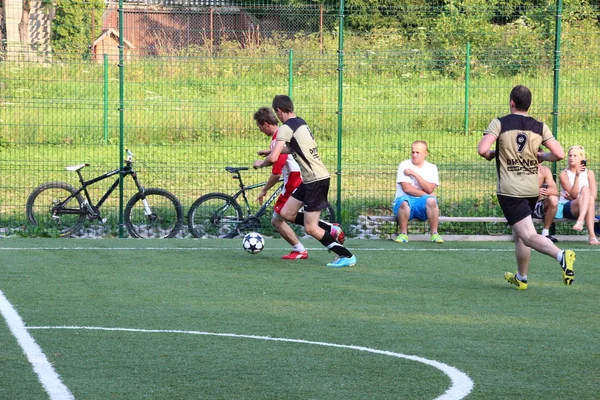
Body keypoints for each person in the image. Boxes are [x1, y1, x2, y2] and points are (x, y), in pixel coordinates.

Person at [477, 85, 576, 290]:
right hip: (531, 189)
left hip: (510, 191)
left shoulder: (500, 123)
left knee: (529, 236)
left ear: (512, 102)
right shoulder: (540, 126)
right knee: (521, 233)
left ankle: (561, 256)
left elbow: (482, 149)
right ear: (528, 104)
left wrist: (492, 155)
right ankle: (522, 278)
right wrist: (542, 156)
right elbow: (558, 154)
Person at [253, 95, 356, 268]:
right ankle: (330, 229)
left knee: (310, 228)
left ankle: (346, 255)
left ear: (279, 111)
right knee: (286, 213)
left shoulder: (285, 128)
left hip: (316, 180)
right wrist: (267, 151)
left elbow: (274, 158)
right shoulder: (300, 123)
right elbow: (294, 148)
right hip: (309, 180)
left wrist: (261, 162)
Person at [393, 140, 443, 244]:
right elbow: (407, 189)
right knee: (404, 201)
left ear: (425, 153)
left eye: (418, 152)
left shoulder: (432, 168)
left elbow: (430, 188)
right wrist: (426, 194)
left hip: (421, 204)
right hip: (406, 202)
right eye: (413, 152)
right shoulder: (404, 165)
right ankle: (403, 234)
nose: (414, 155)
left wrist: (414, 174)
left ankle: (435, 234)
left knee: (432, 201)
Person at [558, 145, 599, 245]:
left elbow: (594, 195)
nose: (571, 158)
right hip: (569, 207)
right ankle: (591, 235)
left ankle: (588, 232)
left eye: (575, 155)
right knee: (586, 191)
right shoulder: (564, 174)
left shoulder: (589, 173)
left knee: (589, 197)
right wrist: (577, 176)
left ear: (582, 158)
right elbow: (574, 195)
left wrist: (583, 198)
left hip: (585, 204)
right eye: (570, 155)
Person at [533, 161, 559, 242]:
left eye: (539, 159)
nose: (537, 161)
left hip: (536, 206)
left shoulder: (544, 171)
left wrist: (544, 191)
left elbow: (554, 190)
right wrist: (534, 190)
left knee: (554, 199)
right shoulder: (519, 169)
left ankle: (545, 233)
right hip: (521, 204)